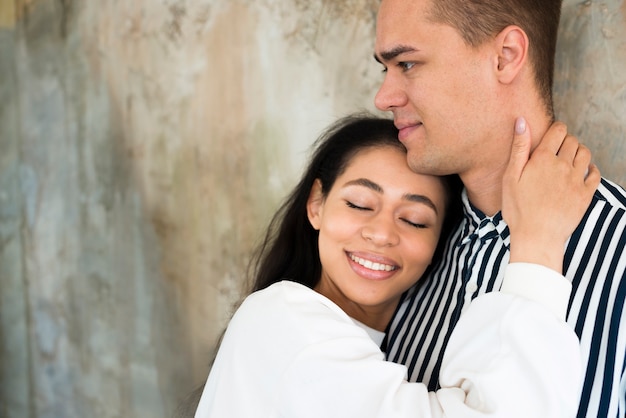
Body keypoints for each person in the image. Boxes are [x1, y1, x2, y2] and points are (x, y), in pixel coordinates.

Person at [191, 113, 599, 417]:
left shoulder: (383, 343)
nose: (382, 233)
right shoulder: (280, 319)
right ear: (316, 204)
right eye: (359, 204)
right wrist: (539, 245)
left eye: (414, 220)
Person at [373, 1, 626, 417]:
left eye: (407, 63)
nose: (384, 97)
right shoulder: (398, 244)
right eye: (387, 68)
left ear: (506, 56)